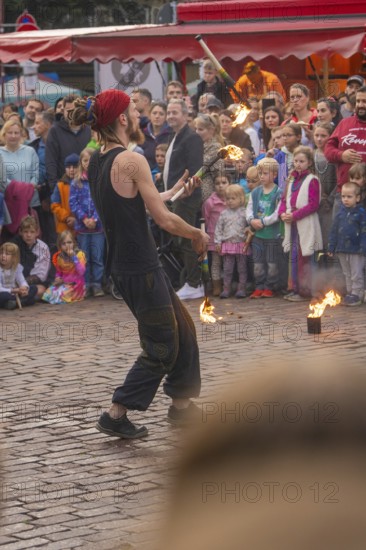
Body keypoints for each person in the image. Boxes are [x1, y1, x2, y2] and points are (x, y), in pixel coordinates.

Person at [70, 89, 209, 438]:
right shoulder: (132, 160)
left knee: (184, 330)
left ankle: (181, 406)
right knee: (162, 344)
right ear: (120, 118)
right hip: (139, 268)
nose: (138, 116)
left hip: (132, 265)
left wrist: (174, 190)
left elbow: (137, 201)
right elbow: (163, 220)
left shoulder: (100, 157)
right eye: (133, 111)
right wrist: (197, 234)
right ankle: (116, 413)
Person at [164, 98, 205, 300]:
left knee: (187, 237)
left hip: (186, 197)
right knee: (180, 238)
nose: (170, 116)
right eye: (168, 112)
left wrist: (186, 189)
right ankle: (190, 280)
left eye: (175, 112)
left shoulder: (192, 137)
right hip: (175, 197)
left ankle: (194, 283)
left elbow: (196, 168)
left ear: (185, 114)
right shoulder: (176, 135)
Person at [279, 146, 322, 301]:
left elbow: (313, 204)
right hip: (292, 223)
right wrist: (282, 213)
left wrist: (295, 215)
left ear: (309, 162)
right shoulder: (291, 178)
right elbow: (284, 199)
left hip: (305, 222)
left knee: (307, 256)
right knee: (295, 257)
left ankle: (308, 291)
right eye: (296, 161)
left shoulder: (312, 180)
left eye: (302, 161)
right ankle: (296, 289)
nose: (298, 164)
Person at [69, 147, 105, 298]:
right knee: (84, 257)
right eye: (85, 160)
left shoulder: (101, 181)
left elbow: (103, 201)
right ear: (81, 163)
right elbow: (73, 203)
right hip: (82, 228)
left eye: (91, 161)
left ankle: (96, 284)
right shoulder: (76, 183)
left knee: (97, 257)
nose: (87, 163)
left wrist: (95, 219)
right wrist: (84, 218)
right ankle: (85, 283)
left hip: (98, 228)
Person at [325, 86, 366, 216]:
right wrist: (341, 155)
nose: (360, 105)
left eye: (364, 101)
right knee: (341, 234)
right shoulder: (344, 123)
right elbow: (328, 150)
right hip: (345, 194)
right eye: (358, 101)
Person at [246, 158, 282, 298]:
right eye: (260, 173)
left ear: (274, 175)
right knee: (258, 264)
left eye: (265, 173)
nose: (261, 176)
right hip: (258, 236)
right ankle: (259, 286)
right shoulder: (255, 192)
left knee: (272, 263)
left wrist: (263, 222)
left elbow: (277, 213)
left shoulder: (278, 193)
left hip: (271, 235)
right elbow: (248, 208)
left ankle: (270, 286)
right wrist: (251, 220)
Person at [328, 182, 366, 306]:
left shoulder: (361, 213)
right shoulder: (340, 213)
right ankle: (350, 292)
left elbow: (364, 231)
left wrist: (363, 246)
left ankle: (357, 294)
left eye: (349, 197)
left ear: (358, 198)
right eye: (343, 196)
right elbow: (333, 231)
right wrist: (331, 246)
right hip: (342, 249)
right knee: (347, 272)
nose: (345, 199)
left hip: (356, 249)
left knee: (356, 273)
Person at [0, 118, 40, 236]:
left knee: (29, 236)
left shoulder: (30, 151)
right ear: (4, 134)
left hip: (30, 201)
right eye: (10, 132)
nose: (13, 136)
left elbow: (35, 173)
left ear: (21, 134)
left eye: (16, 133)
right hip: (8, 204)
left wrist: (30, 187)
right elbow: (1, 179)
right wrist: (18, 190)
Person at [45, 94, 91, 192]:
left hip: (87, 187)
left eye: (74, 110)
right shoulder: (55, 131)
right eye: (68, 110)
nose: (71, 113)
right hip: (64, 188)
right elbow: (50, 161)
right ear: (63, 111)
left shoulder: (89, 130)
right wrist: (55, 188)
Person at [214, 184, 248, 299]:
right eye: (228, 199)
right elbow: (218, 228)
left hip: (241, 244)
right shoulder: (223, 214)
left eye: (233, 198)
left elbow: (249, 226)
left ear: (241, 199)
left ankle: (242, 288)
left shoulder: (245, 212)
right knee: (227, 269)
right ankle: (226, 289)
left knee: (242, 268)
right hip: (228, 244)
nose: (230, 201)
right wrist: (218, 242)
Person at [29, 110, 57, 248]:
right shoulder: (32, 147)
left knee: (57, 236)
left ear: (48, 124)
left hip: (56, 195)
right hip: (37, 197)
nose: (34, 126)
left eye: (37, 123)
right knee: (42, 235)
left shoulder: (59, 145)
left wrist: (50, 196)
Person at [202, 173, 231, 296]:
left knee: (228, 263)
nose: (221, 186)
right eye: (217, 183)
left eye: (224, 183)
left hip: (229, 237)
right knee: (216, 263)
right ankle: (216, 285)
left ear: (229, 184)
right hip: (214, 237)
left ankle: (227, 286)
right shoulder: (210, 202)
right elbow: (206, 219)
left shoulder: (233, 200)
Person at [12, 215, 51, 299]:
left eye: (32, 232)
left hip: (31, 283)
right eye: (26, 232)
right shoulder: (14, 245)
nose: (29, 235)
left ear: (37, 232)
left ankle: (17, 297)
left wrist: (23, 285)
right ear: (20, 232)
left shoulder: (43, 248)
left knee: (41, 290)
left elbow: (40, 275)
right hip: (12, 281)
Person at [42, 229, 86, 304]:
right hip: (64, 283)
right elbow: (59, 272)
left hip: (75, 284)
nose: (67, 246)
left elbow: (81, 271)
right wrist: (57, 278)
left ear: (74, 243)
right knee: (47, 294)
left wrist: (73, 257)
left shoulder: (79, 254)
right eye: (64, 244)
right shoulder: (60, 257)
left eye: (69, 242)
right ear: (60, 246)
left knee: (62, 295)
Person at [313, 122, 337, 249]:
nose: (319, 139)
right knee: (317, 238)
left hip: (330, 203)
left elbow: (339, 179)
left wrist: (329, 199)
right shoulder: (312, 155)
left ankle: (331, 266)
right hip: (315, 201)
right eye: (316, 135)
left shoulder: (334, 156)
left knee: (328, 235)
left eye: (323, 135)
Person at [194, 113, 225, 202]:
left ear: (211, 130)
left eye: (200, 129)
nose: (197, 132)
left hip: (208, 194)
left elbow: (201, 165)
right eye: (196, 129)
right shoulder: (198, 145)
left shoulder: (215, 147)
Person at [0, 241, 37, 310]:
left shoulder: (17, 267)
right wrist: (13, 291)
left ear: (14, 257)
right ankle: (23, 301)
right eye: (1, 253)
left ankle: (14, 303)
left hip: (16, 293)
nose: (3, 256)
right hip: (5, 292)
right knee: (4, 296)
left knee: (33, 288)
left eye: (7, 254)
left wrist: (24, 287)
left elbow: (21, 280)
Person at [50, 153, 79, 235]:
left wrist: (77, 220)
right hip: (64, 228)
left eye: (75, 167)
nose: (72, 170)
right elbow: (54, 205)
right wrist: (67, 217)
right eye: (68, 167)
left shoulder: (85, 184)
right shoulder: (60, 185)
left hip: (82, 228)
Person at [141, 101, 173, 169]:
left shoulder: (171, 134)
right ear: (149, 115)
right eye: (154, 113)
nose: (157, 116)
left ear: (166, 117)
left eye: (161, 114)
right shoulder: (142, 134)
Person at [274, 122, 302, 193]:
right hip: (282, 191)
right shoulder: (280, 155)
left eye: (289, 135)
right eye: (283, 135)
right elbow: (275, 177)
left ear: (298, 137)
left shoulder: (304, 154)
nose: (285, 138)